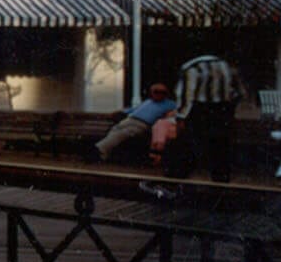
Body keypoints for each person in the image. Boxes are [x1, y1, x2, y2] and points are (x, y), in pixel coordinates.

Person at [169, 51, 241, 183]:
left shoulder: (191, 67)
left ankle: (177, 179)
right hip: (222, 109)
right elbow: (238, 92)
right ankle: (221, 181)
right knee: (220, 147)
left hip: (200, 109)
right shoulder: (225, 65)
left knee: (188, 145)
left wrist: (181, 117)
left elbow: (187, 95)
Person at [92, 82, 177, 165]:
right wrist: (122, 111)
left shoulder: (170, 104)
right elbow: (134, 109)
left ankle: (97, 150)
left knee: (122, 134)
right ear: (151, 92)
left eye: (162, 92)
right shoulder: (147, 102)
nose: (159, 94)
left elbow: (173, 114)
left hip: (143, 124)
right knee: (114, 131)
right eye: (156, 91)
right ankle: (102, 154)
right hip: (129, 119)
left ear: (166, 94)